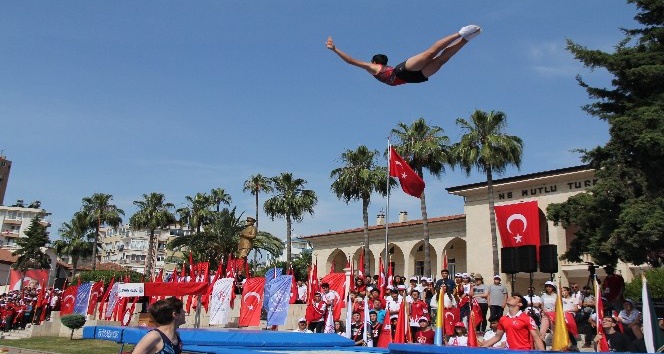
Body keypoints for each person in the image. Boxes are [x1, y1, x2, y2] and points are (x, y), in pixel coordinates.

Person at [325, 25, 481, 86]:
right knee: (441, 61)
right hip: (412, 78)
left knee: (430, 54)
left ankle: (460, 33)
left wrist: (335, 49)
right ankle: (466, 39)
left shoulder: (373, 67)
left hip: (402, 71)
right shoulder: (378, 67)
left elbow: (351, 61)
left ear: (374, 61)